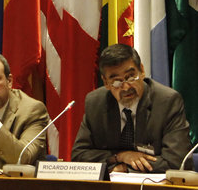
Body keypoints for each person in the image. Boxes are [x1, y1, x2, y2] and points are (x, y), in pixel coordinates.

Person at [71, 44, 192, 173]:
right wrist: (120, 157)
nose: (126, 87)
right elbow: (79, 156)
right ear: (106, 83)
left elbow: (177, 162)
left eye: (130, 77)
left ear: (142, 70)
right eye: (117, 81)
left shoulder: (167, 102)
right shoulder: (95, 103)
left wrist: (124, 168)